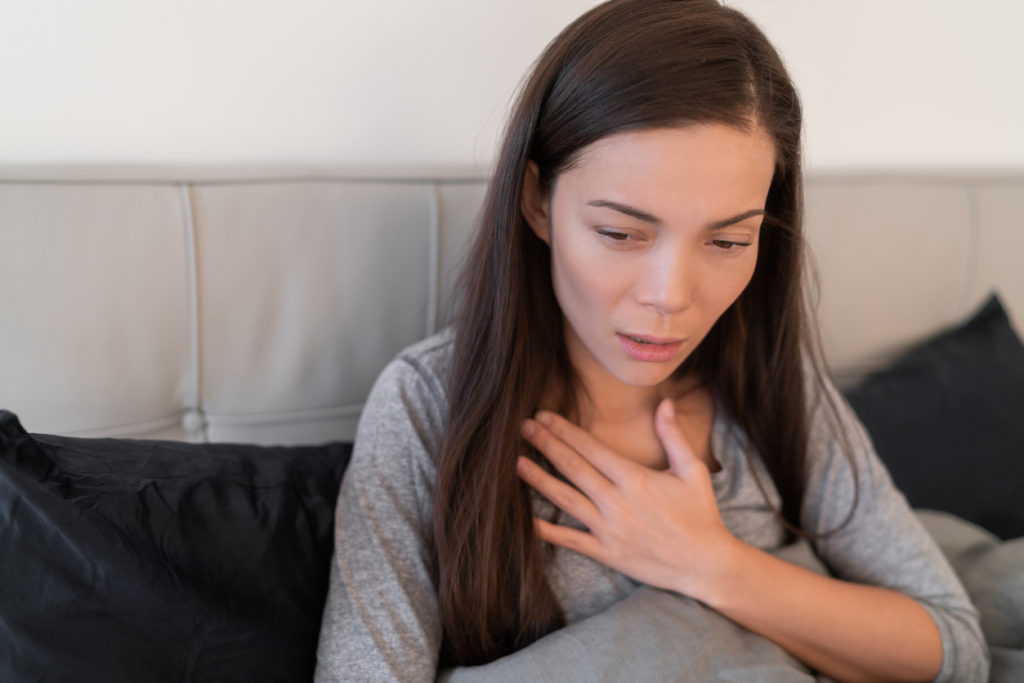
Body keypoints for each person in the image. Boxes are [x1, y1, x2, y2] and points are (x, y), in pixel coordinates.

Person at [315, 1, 989, 681]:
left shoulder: (769, 378)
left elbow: (953, 647)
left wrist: (709, 562)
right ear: (536, 200)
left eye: (728, 241)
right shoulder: (428, 403)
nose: (671, 295)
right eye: (621, 234)